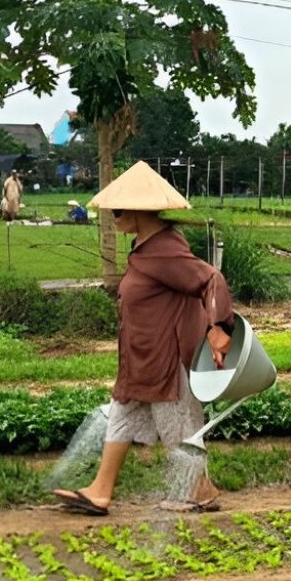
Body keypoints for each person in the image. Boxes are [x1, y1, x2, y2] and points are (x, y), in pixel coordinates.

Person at [53, 161, 232, 516]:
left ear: (138, 212)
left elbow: (212, 281)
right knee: (120, 417)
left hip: (164, 362)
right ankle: (100, 491)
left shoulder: (164, 249)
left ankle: (200, 489)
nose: (114, 216)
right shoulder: (144, 247)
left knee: (178, 428)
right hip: (140, 358)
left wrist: (217, 328)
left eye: (119, 211)